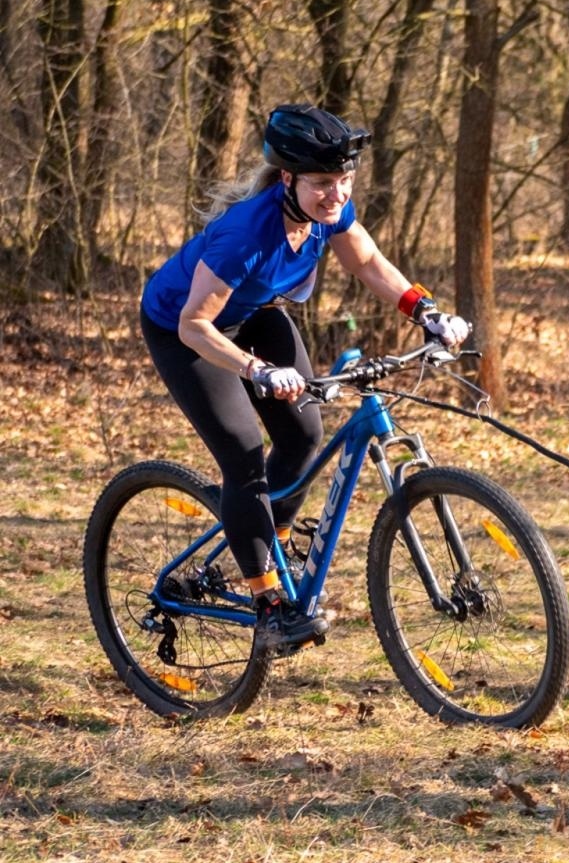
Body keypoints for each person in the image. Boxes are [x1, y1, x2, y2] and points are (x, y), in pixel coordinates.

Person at [140, 104, 471, 654]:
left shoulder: (326, 212)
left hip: (251, 316)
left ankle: (278, 541)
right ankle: (269, 603)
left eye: (344, 181)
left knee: (304, 434)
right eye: (323, 183)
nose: (337, 195)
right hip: (185, 332)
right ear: (288, 179)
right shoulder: (245, 233)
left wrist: (426, 312)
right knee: (245, 454)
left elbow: (368, 264)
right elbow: (194, 324)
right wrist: (257, 370)